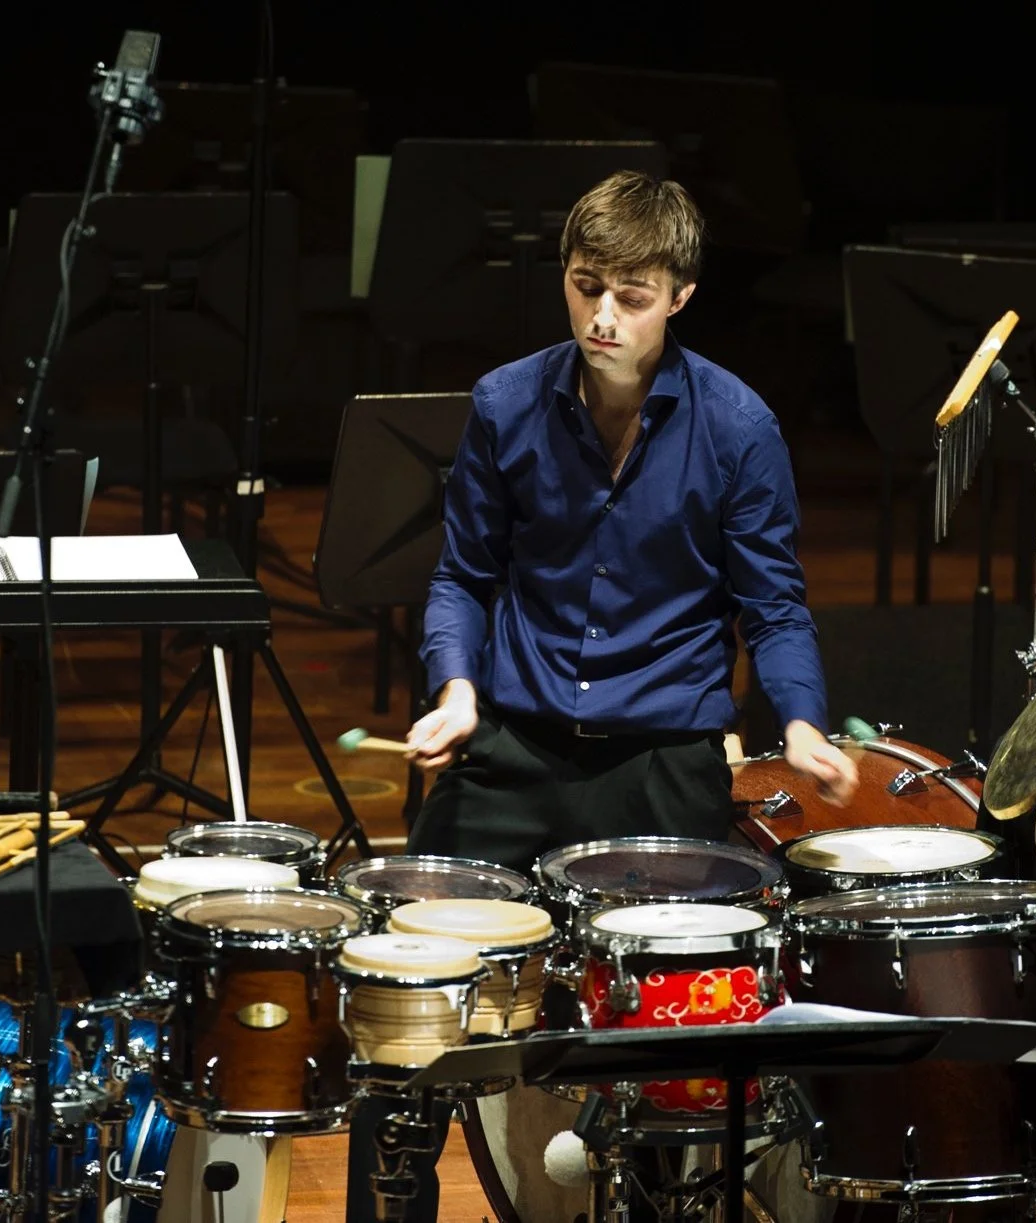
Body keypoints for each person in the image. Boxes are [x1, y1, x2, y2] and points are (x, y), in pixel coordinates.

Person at [344, 170, 857, 1223]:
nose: (601, 316)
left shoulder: (738, 426)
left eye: (629, 293)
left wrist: (799, 718)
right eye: (585, 288)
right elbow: (464, 576)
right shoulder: (503, 402)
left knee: (665, 1044)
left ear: (680, 293)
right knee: (405, 1012)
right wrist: (455, 687)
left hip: (659, 763)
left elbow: (775, 605)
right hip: (516, 747)